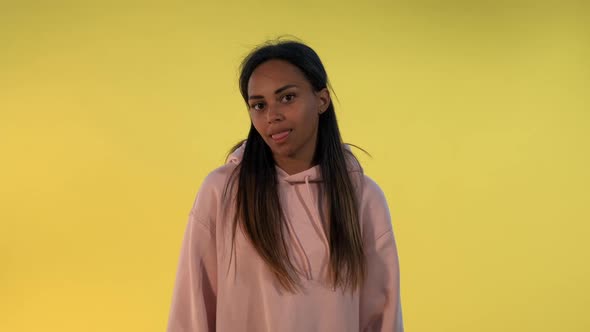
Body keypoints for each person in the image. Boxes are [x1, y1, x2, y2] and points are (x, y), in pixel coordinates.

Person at [167, 39, 404, 332]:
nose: (272, 116)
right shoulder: (223, 192)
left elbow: (382, 317)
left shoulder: (363, 198)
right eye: (259, 105)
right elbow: (191, 312)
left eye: (287, 97)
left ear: (322, 100)